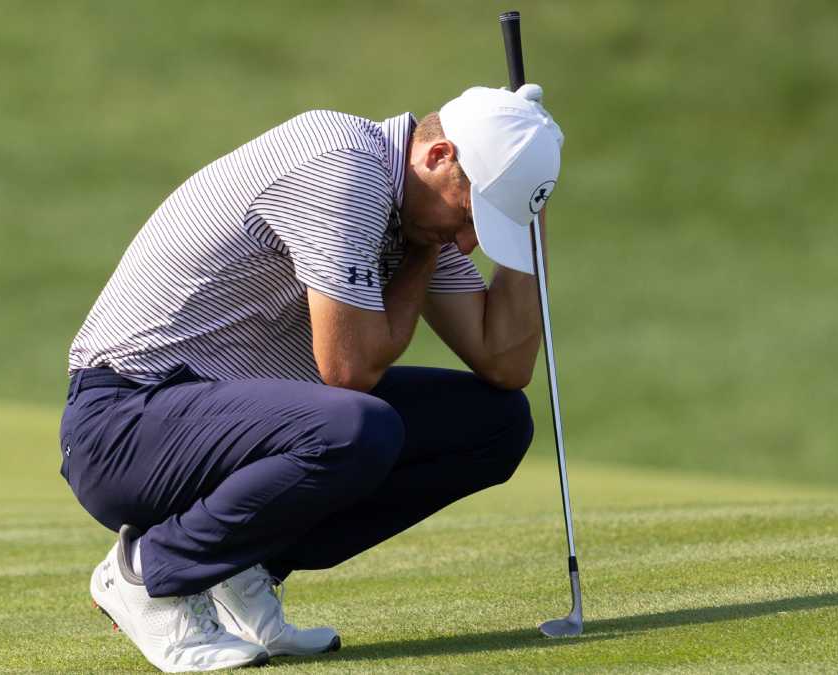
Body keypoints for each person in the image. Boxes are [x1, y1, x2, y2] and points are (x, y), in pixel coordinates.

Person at [60, 84, 563, 672]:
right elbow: (349, 370)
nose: (469, 240)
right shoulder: (342, 170)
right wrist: (423, 255)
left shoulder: (420, 210)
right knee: (356, 425)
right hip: (124, 424)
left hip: (215, 421)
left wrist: (528, 214)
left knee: (494, 424)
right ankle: (149, 574)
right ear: (435, 156)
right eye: (472, 213)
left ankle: (243, 567)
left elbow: (505, 362)